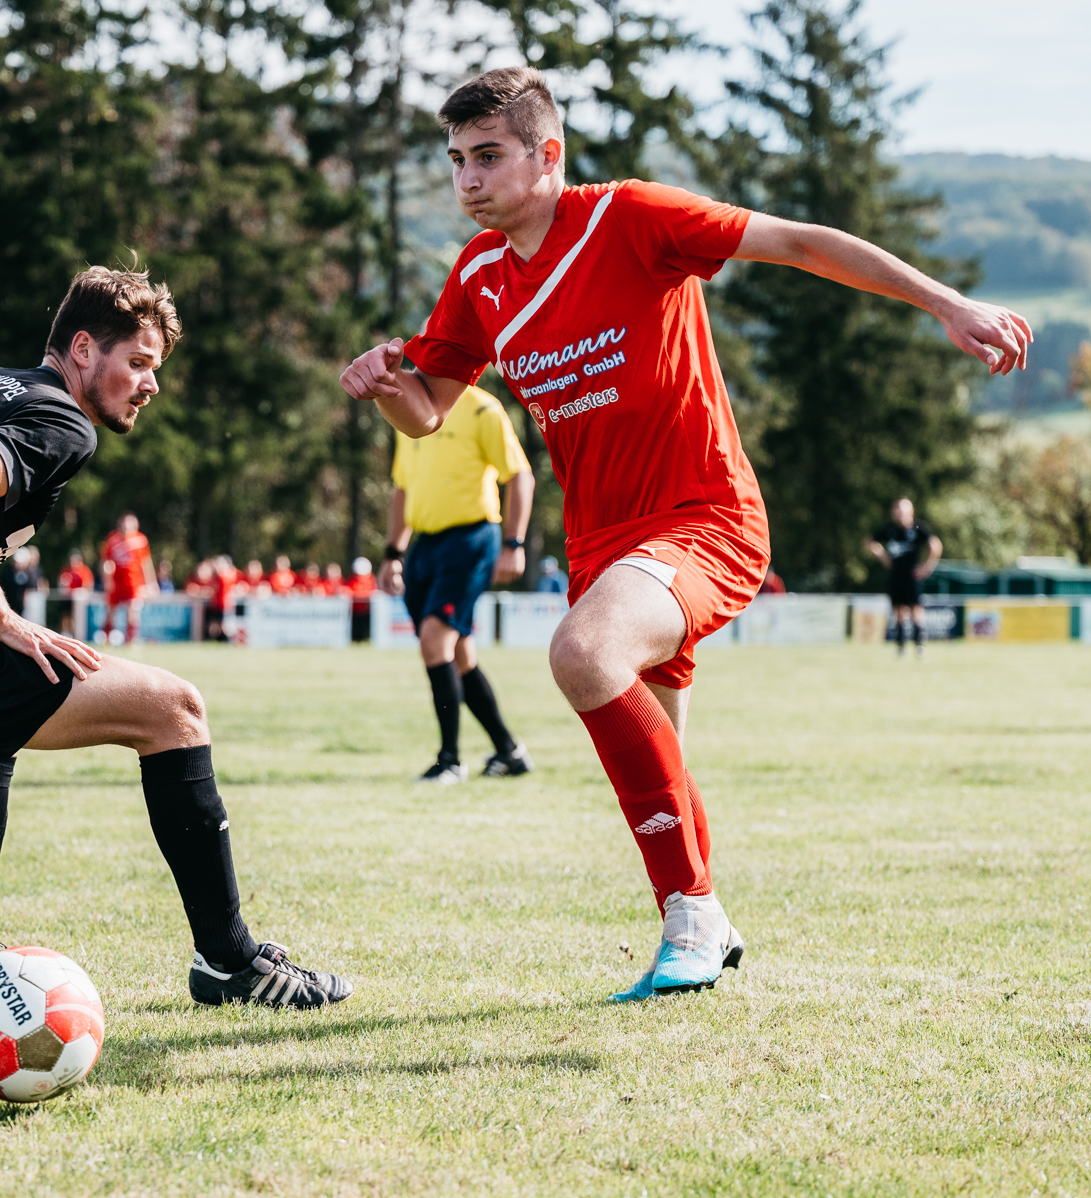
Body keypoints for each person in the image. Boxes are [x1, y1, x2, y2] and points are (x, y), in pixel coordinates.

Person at [340, 67, 1030, 1001]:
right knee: (658, 757)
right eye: (456, 160)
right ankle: (708, 919)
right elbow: (428, 416)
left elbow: (799, 242)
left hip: (705, 517)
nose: (467, 178)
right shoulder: (476, 279)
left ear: (549, 156)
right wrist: (388, 388)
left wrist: (949, 303)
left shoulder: (629, 217)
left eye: (488, 156)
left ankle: (691, 917)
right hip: (604, 547)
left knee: (582, 653)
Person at [0, 265, 349, 1009]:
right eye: (139, 363)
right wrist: (2, 617)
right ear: (83, 349)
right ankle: (230, 963)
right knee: (173, 708)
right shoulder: (62, 420)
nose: (150, 384)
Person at [383, 382, 536, 783]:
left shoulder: (483, 408)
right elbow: (402, 489)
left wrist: (513, 544)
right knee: (459, 654)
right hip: (425, 545)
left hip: (472, 538)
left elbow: (519, 475)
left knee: (436, 640)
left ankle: (449, 760)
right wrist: (393, 553)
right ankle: (509, 751)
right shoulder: (409, 415)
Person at [866, 498, 940, 657]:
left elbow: (935, 546)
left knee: (916, 611)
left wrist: (927, 568)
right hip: (895, 576)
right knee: (899, 612)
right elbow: (870, 542)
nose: (899, 514)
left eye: (903, 510)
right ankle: (900, 648)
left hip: (912, 577)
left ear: (910, 512)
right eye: (897, 510)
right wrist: (883, 557)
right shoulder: (890, 530)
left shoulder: (918, 528)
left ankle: (920, 647)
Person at [100, 512, 154, 644]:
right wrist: (107, 580)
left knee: (133, 611)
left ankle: (130, 641)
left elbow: (145, 563)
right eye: (124, 523)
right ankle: (106, 638)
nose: (126, 526)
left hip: (134, 581)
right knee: (111, 610)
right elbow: (105, 561)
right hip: (116, 580)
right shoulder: (112, 539)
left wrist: (151, 583)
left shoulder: (140, 540)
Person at [0, 547, 44, 616]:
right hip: (10, 605)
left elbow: (31, 590)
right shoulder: (8, 573)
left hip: (27, 608)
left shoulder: (31, 574)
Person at [347, 556, 376, 642]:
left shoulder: (371, 580)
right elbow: (349, 591)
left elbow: (372, 592)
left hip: (366, 611)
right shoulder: (352, 580)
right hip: (355, 611)